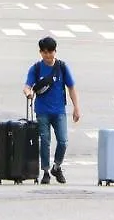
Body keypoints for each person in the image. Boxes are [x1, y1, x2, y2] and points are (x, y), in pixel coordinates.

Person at [22, 36, 81, 184]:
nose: (48, 55)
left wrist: (76, 108)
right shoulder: (36, 68)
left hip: (59, 111)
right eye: (45, 52)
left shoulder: (62, 67)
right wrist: (28, 93)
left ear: (55, 51)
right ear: (40, 52)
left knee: (63, 141)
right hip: (42, 111)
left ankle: (57, 166)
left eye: (51, 52)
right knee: (45, 141)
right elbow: (27, 86)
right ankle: (46, 171)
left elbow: (71, 87)